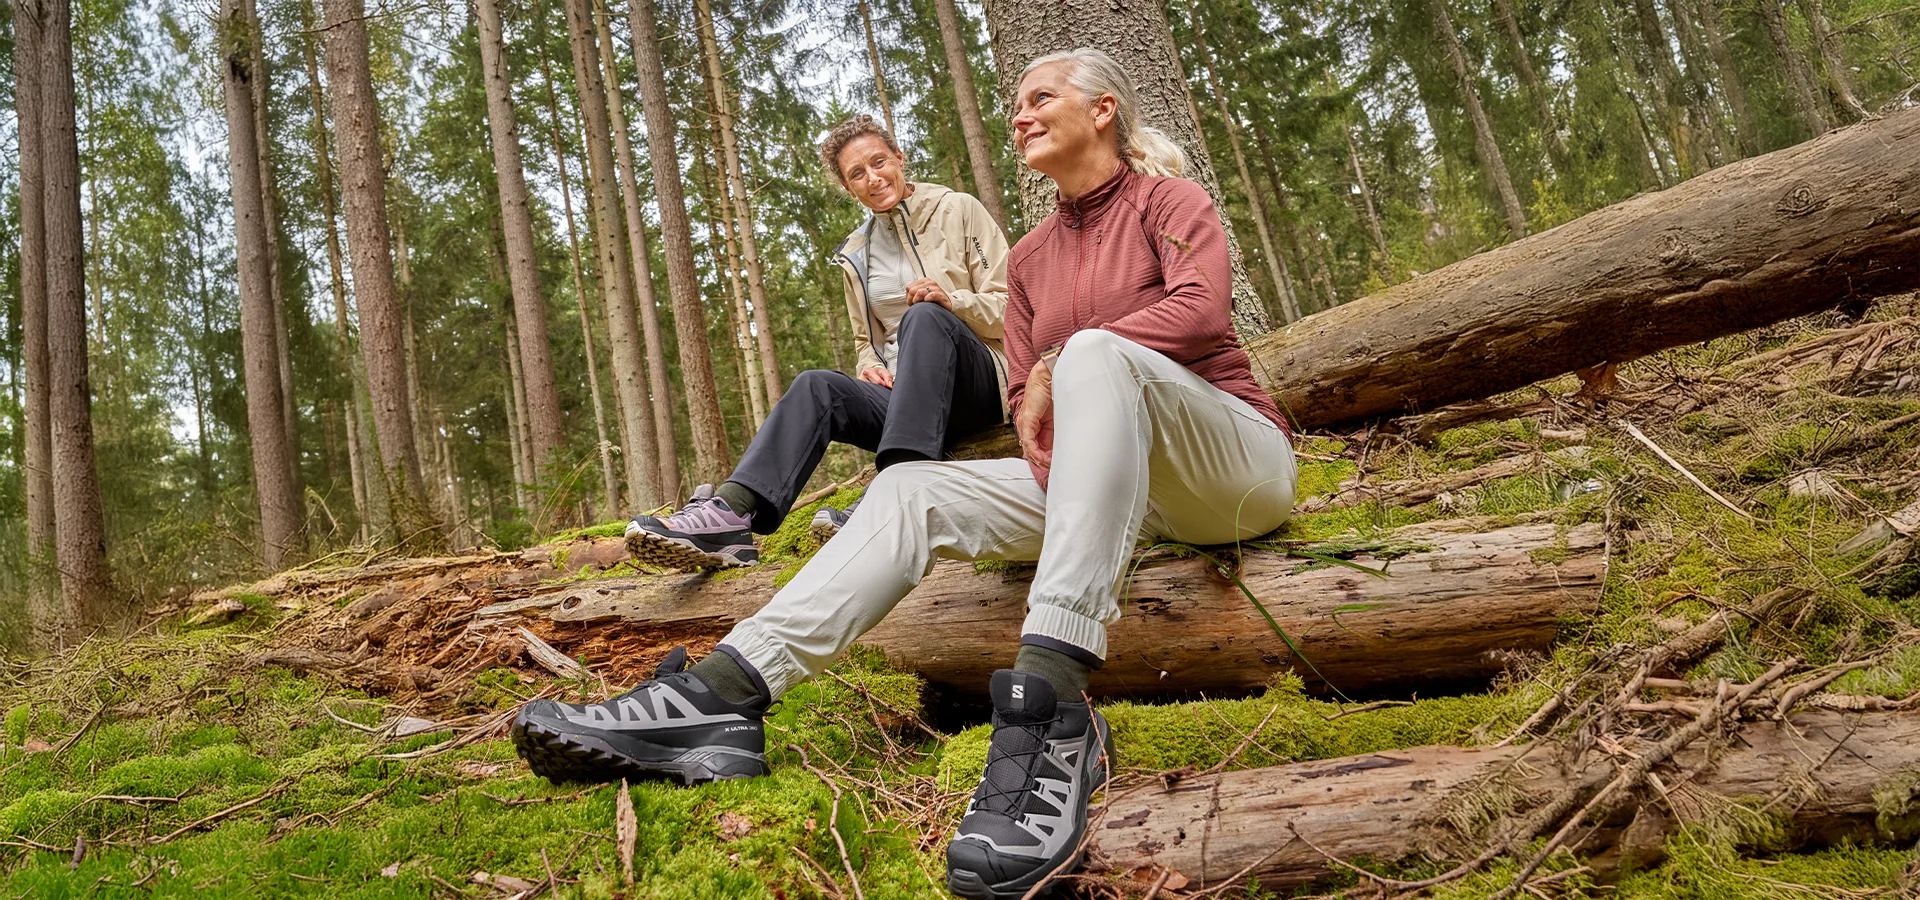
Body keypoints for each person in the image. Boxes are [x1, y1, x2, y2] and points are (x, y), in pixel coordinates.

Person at [512, 49, 1297, 900]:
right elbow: (1031, 399)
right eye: (1016, 104)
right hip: (1118, 495)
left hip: (1233, 469)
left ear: (1103, 110)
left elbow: (1200, 310)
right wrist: (1054, 429)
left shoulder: (1167, 200)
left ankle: (1051, 710)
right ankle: (724, 694)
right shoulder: (1032, 258)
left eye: (1041, 99)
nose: (1021, 115)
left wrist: (1065, 363)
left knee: (1096, 353)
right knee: (906, 490)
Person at [624, 115, 1011, 570]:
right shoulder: (857, 253)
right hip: (910, 401)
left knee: (925, 316)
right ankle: (729, 517)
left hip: (979, 384)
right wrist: (871, 364)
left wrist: (952, 300)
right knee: (816, 385)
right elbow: (867, 340)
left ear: (899, 158)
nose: (873, 177)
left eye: (879, 162)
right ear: (850, 189)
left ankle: (889, 500)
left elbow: (1011, 308)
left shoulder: (958, 210)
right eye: (857, 174)